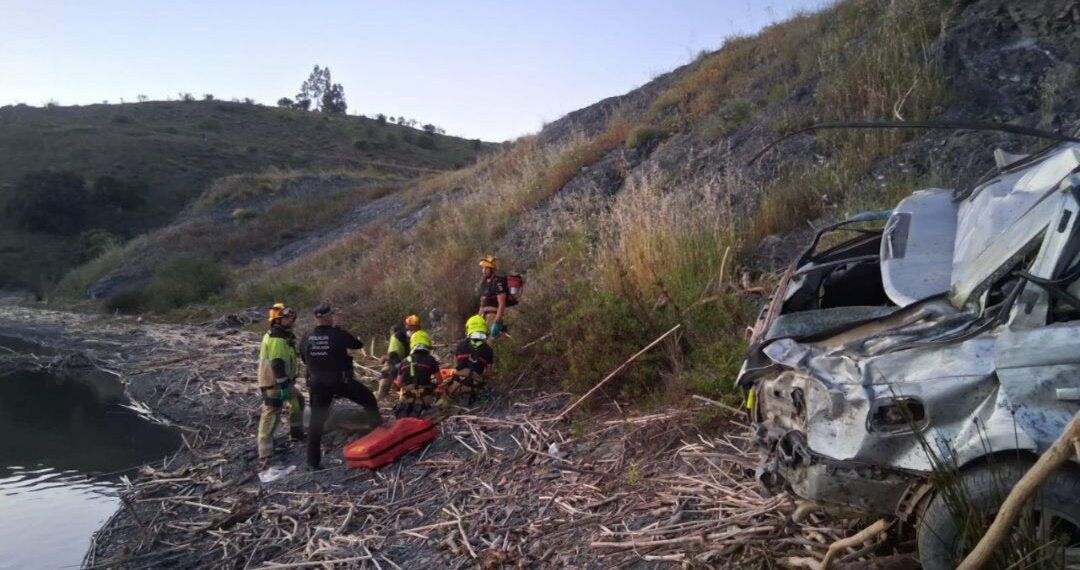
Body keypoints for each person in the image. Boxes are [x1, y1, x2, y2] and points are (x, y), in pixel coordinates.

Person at [299, 302, 382, 470]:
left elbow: (303, 358)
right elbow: (357, 345)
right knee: (369, 400)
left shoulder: (307, 336)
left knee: (316, 424)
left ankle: (312, 463)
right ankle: (379, 437)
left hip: (317, 385)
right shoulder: (337, 334)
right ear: (329, 316)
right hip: (340, 381)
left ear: (316, 319)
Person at [256, 303, 305, 469]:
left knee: (298, 401)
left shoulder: (283, 336)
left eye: (291, 317)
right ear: (277, 320)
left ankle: (296, 434)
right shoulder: (277, 338)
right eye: (287, 318)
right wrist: (284, 385)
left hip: (282, 381)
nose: (291, 320)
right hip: (274, 383)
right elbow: (277, 363)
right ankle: (265, 455)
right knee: (271, 413)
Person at [440, 314, 495, 408]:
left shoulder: (461, 345)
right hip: (477, 387)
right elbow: (488, 373)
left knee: (444, 401)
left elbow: (455, 366)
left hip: (457, 385)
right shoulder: (488, 349)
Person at [393, 330, 439, 418]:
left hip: (406, 399)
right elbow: (440, 381)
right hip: (424, 399)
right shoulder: (431, 360)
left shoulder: (404, 361)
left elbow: (398, 384)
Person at [378, 314, 421, 399]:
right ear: (407, 326)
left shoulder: (419, 336)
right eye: (411, 326)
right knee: (388, 375)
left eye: (416, 326)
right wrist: (401, 367)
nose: (414, 329)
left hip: (411, 362)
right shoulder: (398, 336)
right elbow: (393, 354)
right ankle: (380, 396)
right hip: (395, 361)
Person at [477, 255, 507, 338]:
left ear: (492, 269)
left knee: (490, 344)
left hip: (492, 316)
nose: (484, 271)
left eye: (486, 269)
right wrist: (478, 318)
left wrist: (497, 322)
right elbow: (482, 303)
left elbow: (502, 303)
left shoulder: (497, 282)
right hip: (483, 316)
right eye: (483, 268)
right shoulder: (484, 283)